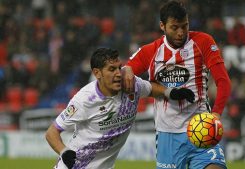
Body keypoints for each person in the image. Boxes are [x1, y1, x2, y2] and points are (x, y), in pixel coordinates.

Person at [123, 1, 231, 169]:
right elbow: (126, 71)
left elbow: (223, 80)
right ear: (162, 26)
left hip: (201, 126)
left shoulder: (203, 42)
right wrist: (127, 69)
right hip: (168, 135)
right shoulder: (151, 51)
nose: (181, 33)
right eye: (175, 27)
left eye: (184, 26)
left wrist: (216, 113)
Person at [45, 47, 195, 169]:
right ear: (97, 73)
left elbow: (151, 89)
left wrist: (172, 92)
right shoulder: (84, 100)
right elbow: (52, 132)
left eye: (119, 67)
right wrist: (64, 151)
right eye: (111, 69)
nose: (118, 74)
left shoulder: (131, 85)